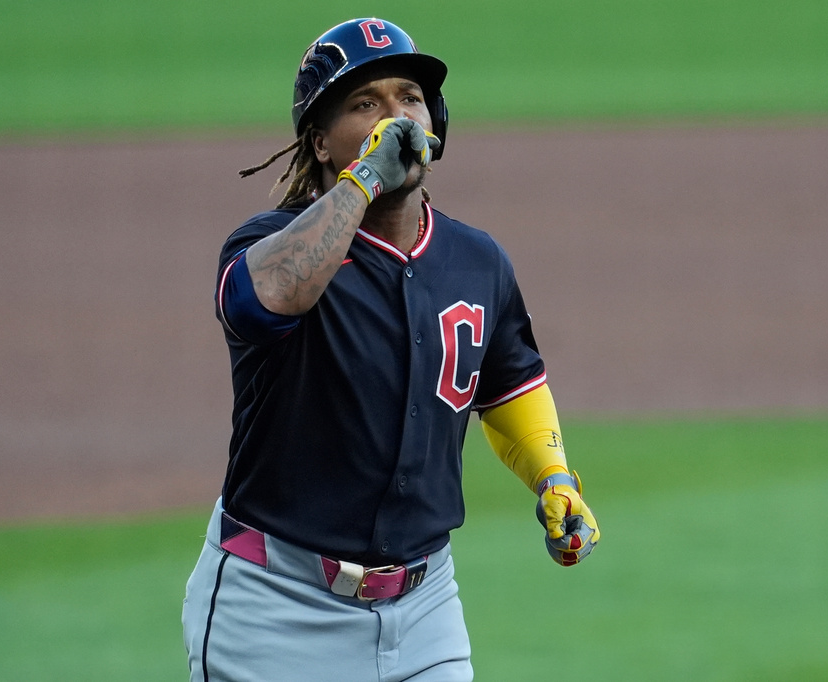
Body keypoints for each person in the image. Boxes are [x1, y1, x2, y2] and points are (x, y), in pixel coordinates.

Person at [183, 18, 600, 681]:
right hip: (274, 607)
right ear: (320, 142)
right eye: (364, 103)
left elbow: (509, 385)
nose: (394, 117)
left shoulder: (476, 260)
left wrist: (553, 476)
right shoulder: (269, 244)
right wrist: (365, 180)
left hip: (426, 605)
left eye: (408, 97)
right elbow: (261, 302)